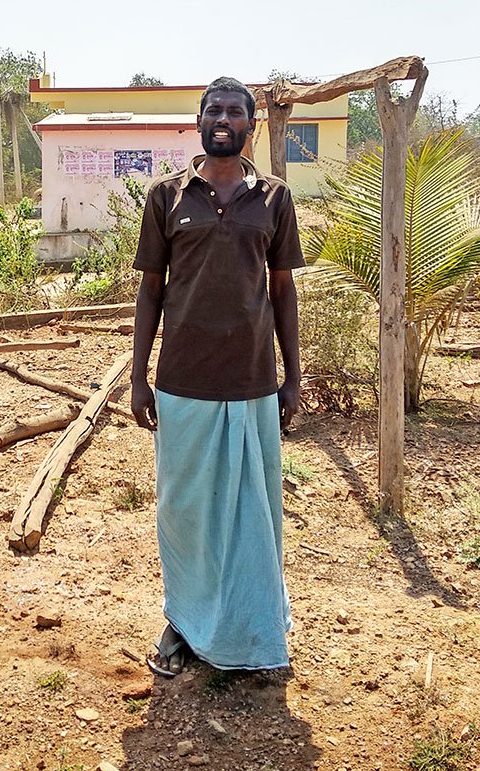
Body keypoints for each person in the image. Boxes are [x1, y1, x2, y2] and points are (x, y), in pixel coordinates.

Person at [131, 75, 304, 677]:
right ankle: (182, 621)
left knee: (255, 511)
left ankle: (252, 625)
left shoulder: (275, 199)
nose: (224, 117)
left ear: (251, 126)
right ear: (199, 121)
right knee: (184, 508)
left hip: (254, 379)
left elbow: (283, 292)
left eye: (235, 110)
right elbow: (152, 289)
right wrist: (138, 377)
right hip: (183, 380)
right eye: (214, 109)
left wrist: (293, 376)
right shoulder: (167, 197)